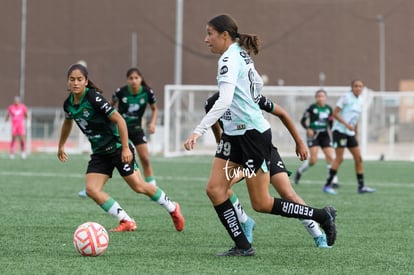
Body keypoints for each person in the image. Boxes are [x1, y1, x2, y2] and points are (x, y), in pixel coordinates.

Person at [184, 14, 336, 256]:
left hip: (252, 136)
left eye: (209, 34)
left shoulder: (229, 58)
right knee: (215, 189)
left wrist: (197, 131)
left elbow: (224, 100)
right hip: (234, 137)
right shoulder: (237, 55)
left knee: (262, 203)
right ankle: (243, 246)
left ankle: (321, 216)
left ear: (225, 35)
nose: (205, 39)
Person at [58, 63, 184, 232]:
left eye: (79, 79)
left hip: (117, 147)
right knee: (91, 190)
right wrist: (61, 145)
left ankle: (172, 207)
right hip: (100, 153)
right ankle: (126, 220)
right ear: (67, 82)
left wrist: (125, 148)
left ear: (86, 81)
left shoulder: (94, 98)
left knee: (138, 186)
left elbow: (120, 120)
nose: (75, 83)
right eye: (72, 79)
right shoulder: (69, 104)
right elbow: (67, 123)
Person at [205, 92, 331, 248]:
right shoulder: (211, 103)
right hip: (238, 156)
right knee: (221, 188)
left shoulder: (248, 95)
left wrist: (299, 142)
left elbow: (282, 113)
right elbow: (217, 129)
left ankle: (318, 235)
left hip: (262, 151)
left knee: (288, 194)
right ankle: (245, 221)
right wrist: (224, 154)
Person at [78, 67, 158, 198]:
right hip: (119, 129)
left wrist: (152, 123)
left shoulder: (148, 92)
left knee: (145, 158)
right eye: (130, 78)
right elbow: (108, 105)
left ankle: (152, 186)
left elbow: (155, 109)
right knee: (104, 156)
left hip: (136, 129)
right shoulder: (120, 92)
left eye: (136, 78)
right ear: (127, 80)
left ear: (141, 79)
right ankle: (92, 188)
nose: (133, 81)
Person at [322, 79, 376, 195]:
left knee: (358, 158)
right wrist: (346, 124)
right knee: (339, 158)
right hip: (340, 131)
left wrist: (355, 133)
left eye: (360, 86)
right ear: (352, 87)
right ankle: (327, 185)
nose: (358, 88)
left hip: (350, 133)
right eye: (356, 86)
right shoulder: (345, 97)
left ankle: (361, 187)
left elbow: (355, 119)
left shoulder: (361, 100)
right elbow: (335, 113)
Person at [294, 89, 339, 185]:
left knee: (330, 156)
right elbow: (303, 121)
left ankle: (332, 179)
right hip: (313, 135)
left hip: (324, 134)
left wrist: (333, 133)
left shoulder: (329, 109)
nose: (320, 98)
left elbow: (330, 123)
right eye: (319, 96)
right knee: (313, 160)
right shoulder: (311, 108)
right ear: (316, 98)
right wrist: (308, 129)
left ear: (325, 98)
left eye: (322, 96)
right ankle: (300, 171)